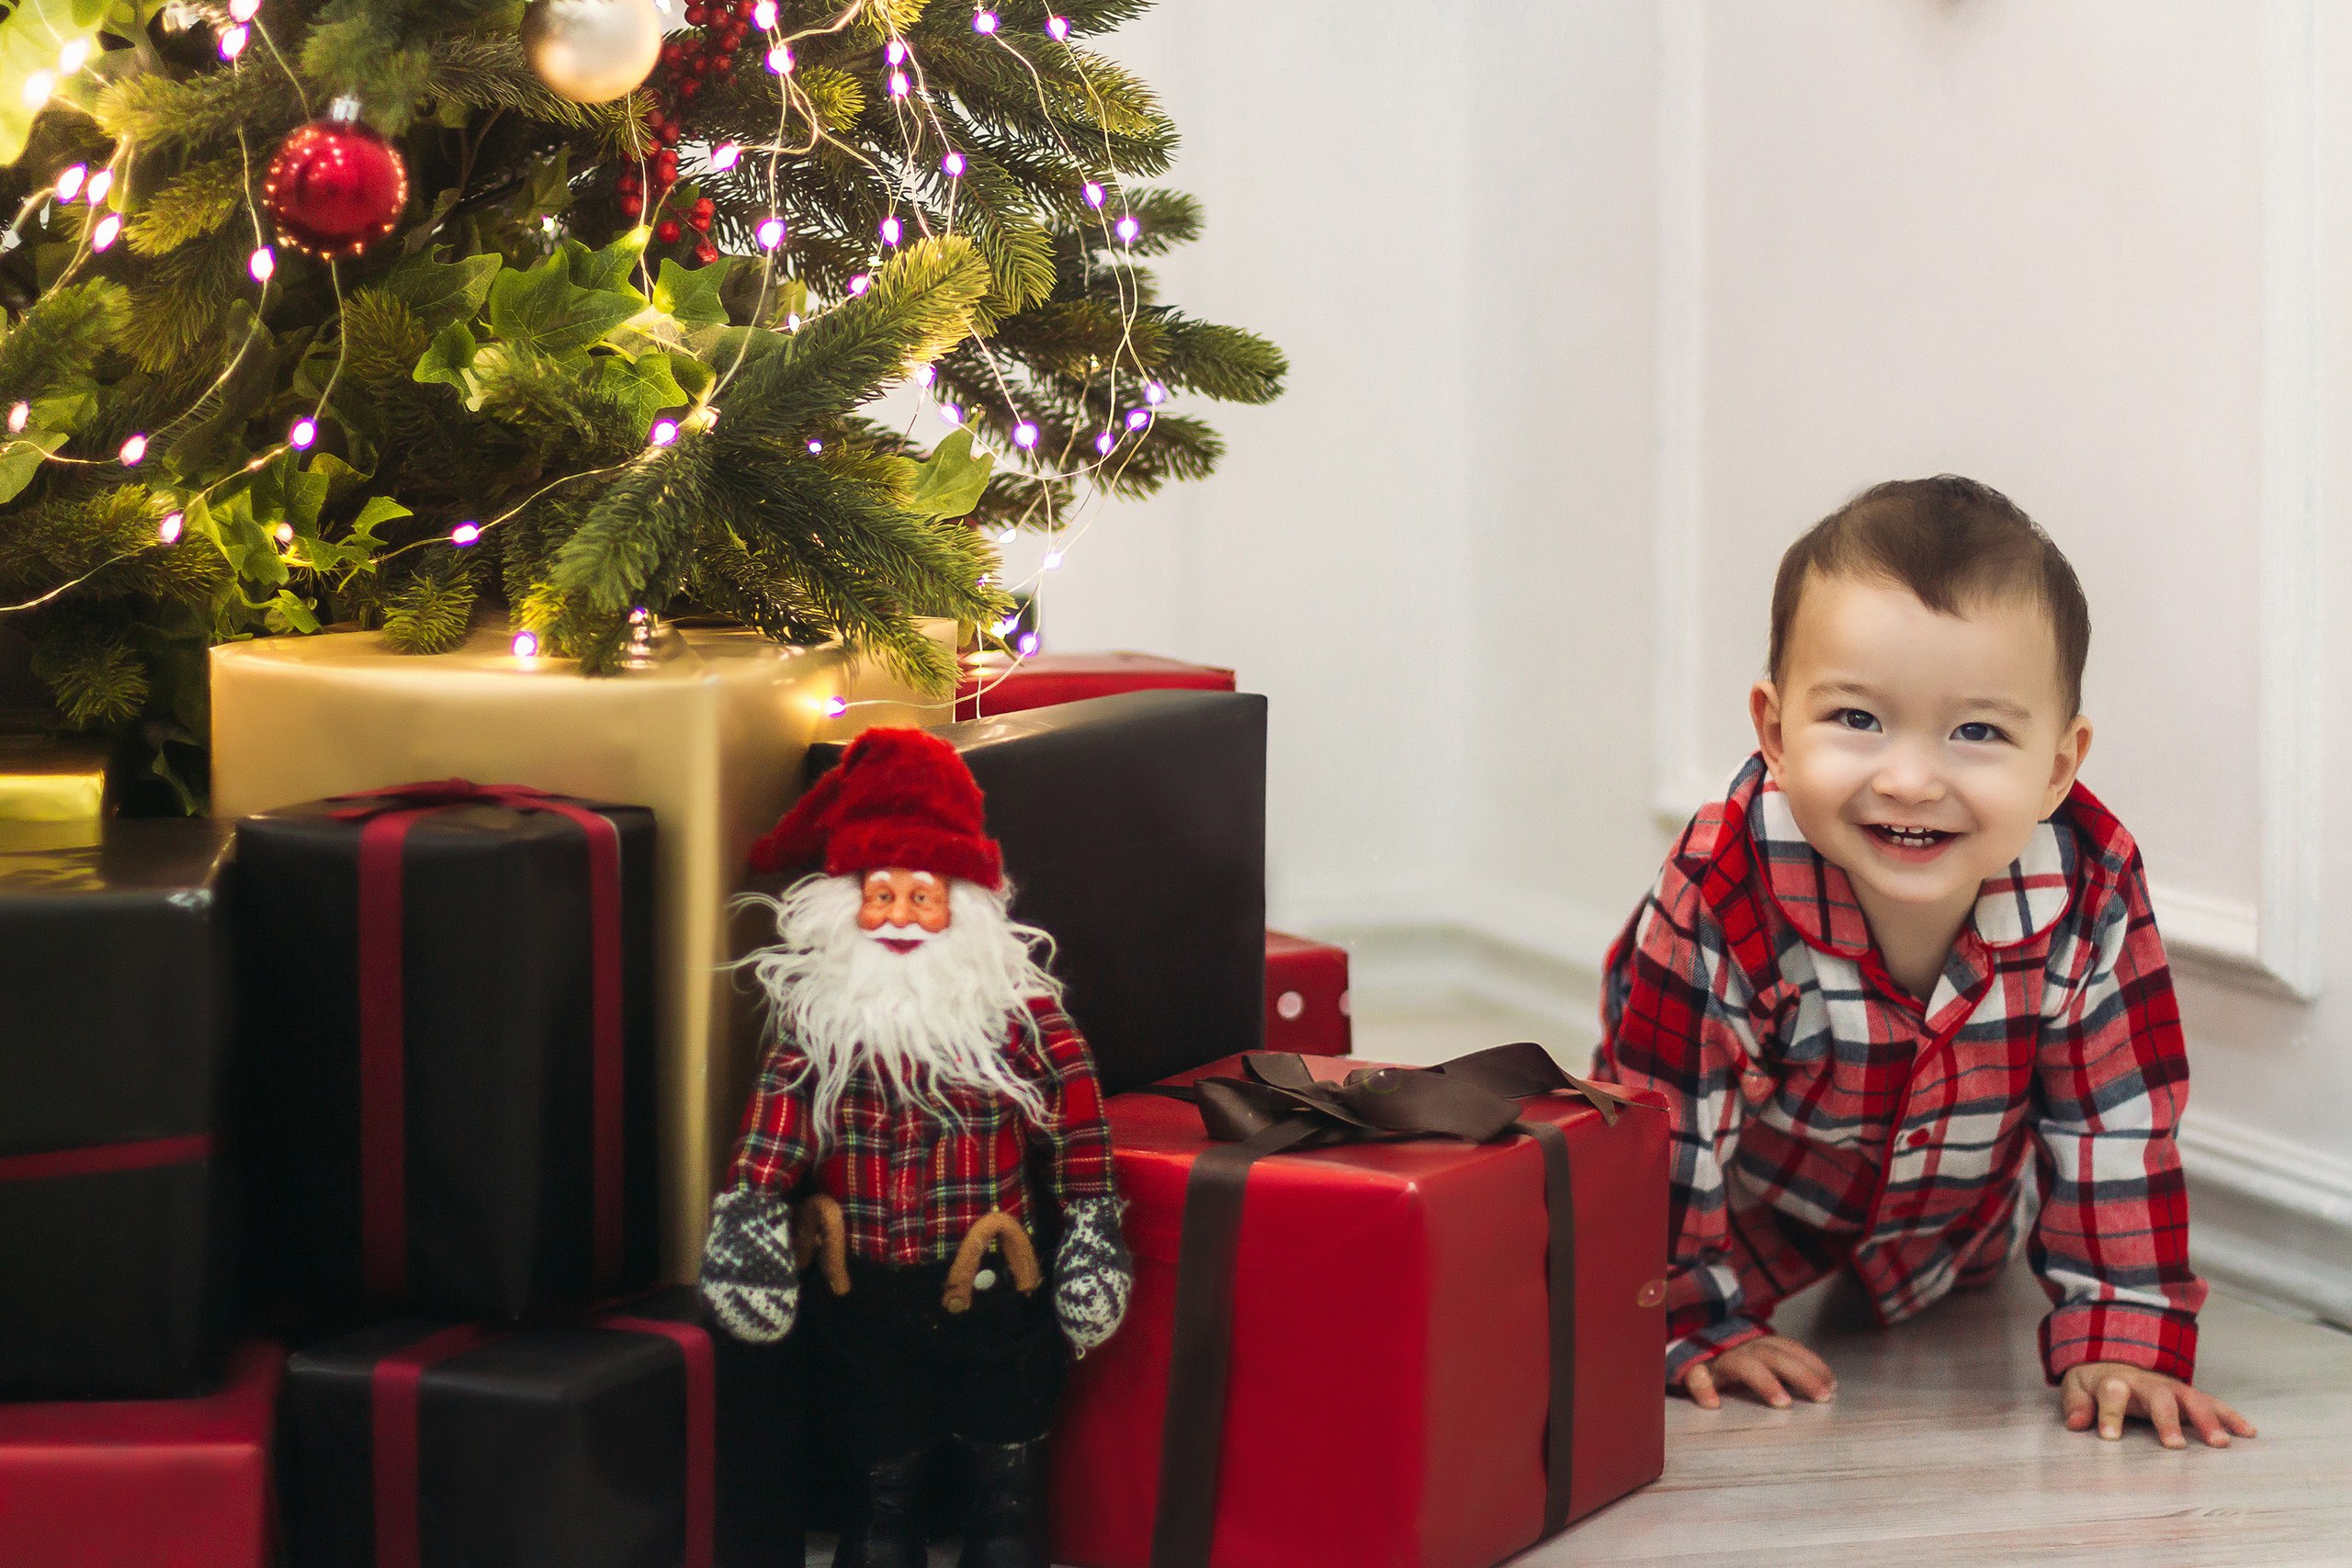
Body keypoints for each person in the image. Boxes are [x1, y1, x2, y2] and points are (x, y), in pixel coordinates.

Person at [1592, 476, 2256, 1451]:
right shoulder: (1721, 888)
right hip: (1744, 1219)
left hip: (1948, 1241)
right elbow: (1663, 1115)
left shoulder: (2089, 888)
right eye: (1855, 719)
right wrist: (1681, 1313)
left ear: (2059, 766)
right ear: (1773, 732)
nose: (1909, 778)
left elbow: (2114, 1121)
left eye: (1977, 732)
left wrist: (2123, 1331)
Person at [698, 727, 1132, 1568]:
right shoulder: (820, 1019)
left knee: (1005, 1429)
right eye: (881, 895)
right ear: (848, 905)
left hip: (993, 1275)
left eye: (922, 896)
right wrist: (749, 1210)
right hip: (861, 1283)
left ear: (961, 904)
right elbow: (779, 1114)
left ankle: (1004, 1528)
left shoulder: (1020, 1017)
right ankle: (880, 1528)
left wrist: (1091, 1225)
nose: (899, 917)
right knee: (874, 1435)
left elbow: (1075, 1117)